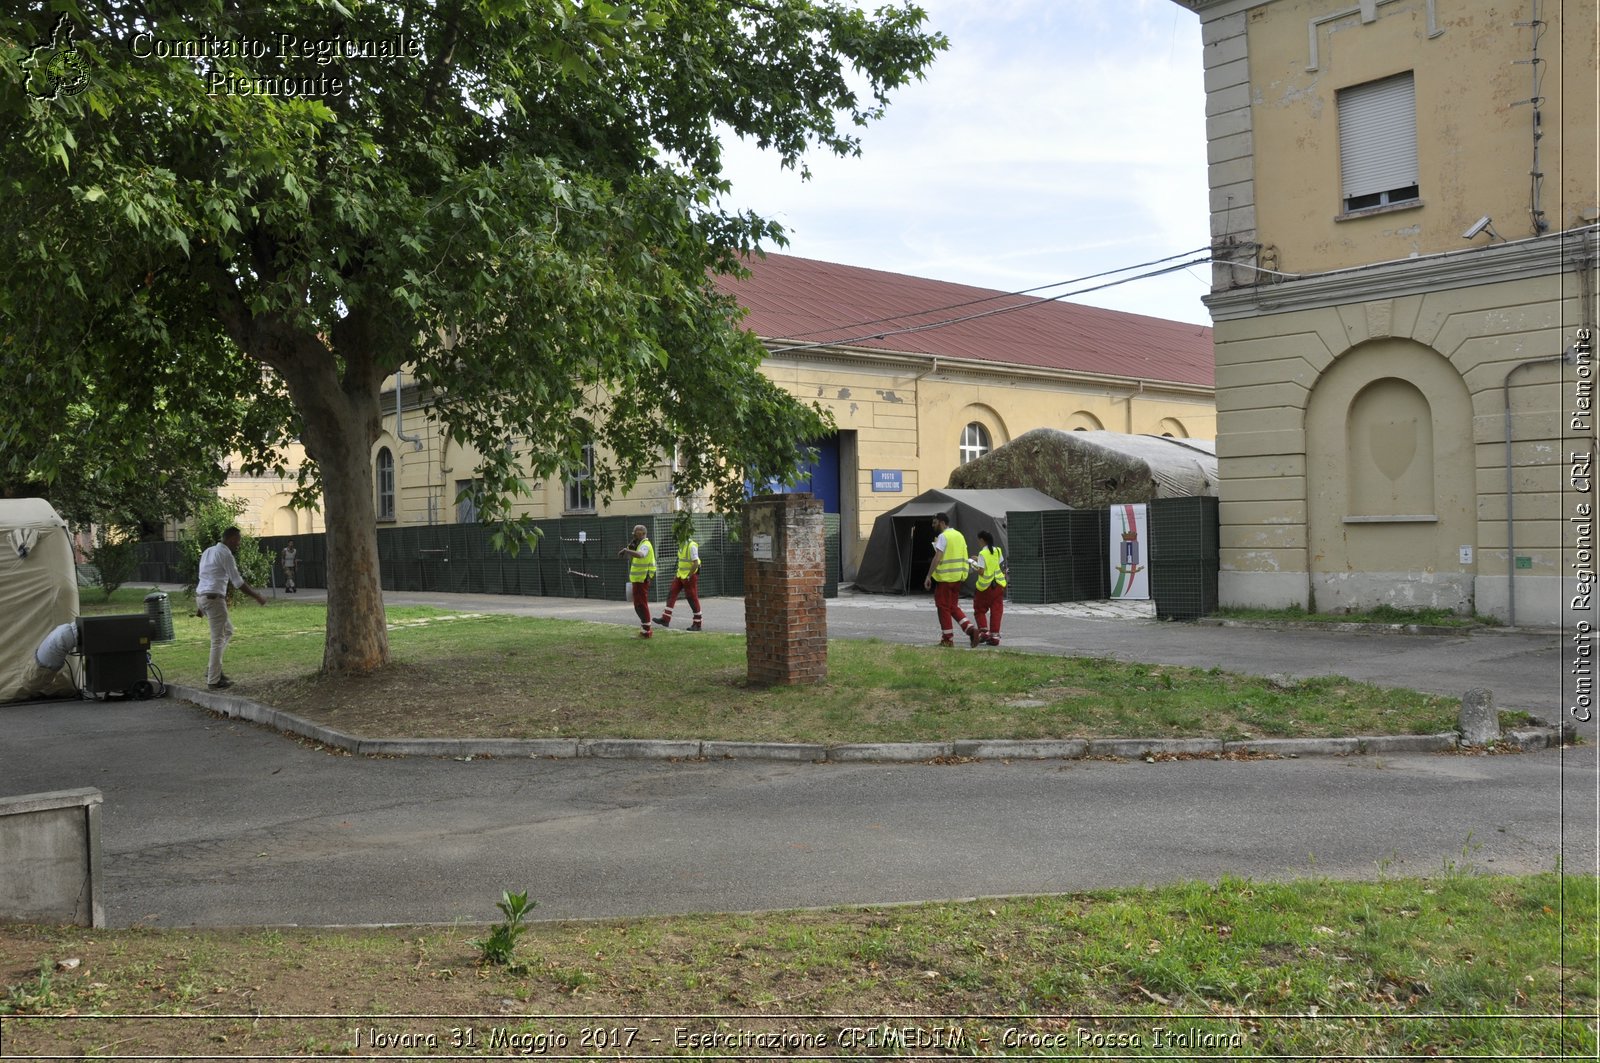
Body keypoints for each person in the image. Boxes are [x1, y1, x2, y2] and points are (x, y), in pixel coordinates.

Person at [196, 526, 266, 688]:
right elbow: (238, 582)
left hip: (202, 597)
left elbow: (203, 576)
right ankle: (213, 680)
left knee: (228, 631)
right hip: (214, 599)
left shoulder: (208, 551)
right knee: (218, 639)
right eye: (238, 540)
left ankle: (213, 669)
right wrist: (257, 596)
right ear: (232, 539)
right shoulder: (225, 554)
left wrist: (200, 606)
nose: (239, 544)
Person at [923, 512, 980, 647]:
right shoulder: (959, 535)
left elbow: (938, 557)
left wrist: (928, 575)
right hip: (957, 578)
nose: (933, 525)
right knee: (952, 607)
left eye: (935, 522)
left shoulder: (943, 537)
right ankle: (971, 630)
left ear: (942, 523)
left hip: (945, 578)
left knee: (943, 607)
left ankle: (947, 639)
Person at [654, 533, 704, 631]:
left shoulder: (691, 545)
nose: (676, 537)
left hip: (689, 575)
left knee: (692, 598)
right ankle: (665, 619)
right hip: (680, 574)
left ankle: (697, 624)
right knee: (671, 593)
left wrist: (689, 575)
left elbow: (696, 563)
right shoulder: (682, 544)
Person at [969, 529, 1008, 647]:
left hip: (985, 587)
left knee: (979, 609)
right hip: (998, 585)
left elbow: (981, 571)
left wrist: (972, 563)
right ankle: (995, 636)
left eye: (979, 541)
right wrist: (979, 560)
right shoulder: (997, 550)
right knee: (996, 610)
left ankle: (984, 632)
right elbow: (997, 563)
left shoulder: (982, 553)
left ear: (982, 540)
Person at [617, 524, 656, 638]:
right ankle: (644, 630)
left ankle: (646, 631)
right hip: (637, 579)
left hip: (642, 579)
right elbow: (633, 558)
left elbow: (641, 555)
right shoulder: (639, 544)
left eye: (636, 532)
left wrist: (626, 550)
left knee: (641, 604)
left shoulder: (645, 545)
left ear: (642, 533)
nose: (634, 534)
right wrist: (630, 548)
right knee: (638, 604)